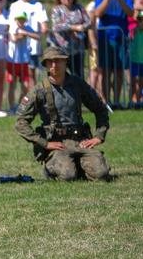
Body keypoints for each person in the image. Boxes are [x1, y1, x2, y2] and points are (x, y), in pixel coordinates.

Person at [15, 47, 110, 181]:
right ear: (46, 65)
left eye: (58, 61)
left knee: (101, 174)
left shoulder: (78, 84)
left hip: (80, 142)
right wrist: (44, 143)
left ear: (66, 62)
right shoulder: (39, 90)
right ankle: (56, 167)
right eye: (50, 62)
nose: (54, 65)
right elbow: (21, 121)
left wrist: (99, 136)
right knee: (67, 175)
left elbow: (100, 109)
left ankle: (79, 165)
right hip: (57, 144)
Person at [94, 0, 133, 108]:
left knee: (119, 71)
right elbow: (98, 13)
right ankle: (106, 101)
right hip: (105, 38)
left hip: (121, 39)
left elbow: (131, 13)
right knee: (105, 71)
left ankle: (116, 101)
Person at [8, 0, 49, 82]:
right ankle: (24, 98)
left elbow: (44, 24)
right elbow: (11, 25)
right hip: (18, 48)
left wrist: (44, 28)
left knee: (31, 77)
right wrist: (16, 36)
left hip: (33, 48)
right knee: (17, 81)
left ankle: (32, 98)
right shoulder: (14, 6)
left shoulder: (38, 5)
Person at [50, 0, 91, 78]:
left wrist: (81, 28)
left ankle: (78, 93)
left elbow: (88, 22)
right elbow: (56, 26)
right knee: (61, 76)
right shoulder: (56, 10)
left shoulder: (79, 8)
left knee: (78, 76)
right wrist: (74, 27)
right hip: (61, 49)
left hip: (78, 49)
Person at [7, 12, 38, 112]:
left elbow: (37, 36)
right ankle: (12, 108)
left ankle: (20, 106)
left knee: (25, 86)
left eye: (22, 19)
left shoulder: (27, 27)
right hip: (12, 60)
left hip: (24, 60)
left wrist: (25, 33)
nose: (21, 21)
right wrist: (22, 35)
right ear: (15, 20)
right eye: (19, 19)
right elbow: (14, 38)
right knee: (12, 84)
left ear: (25, 20)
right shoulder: (12, 27)